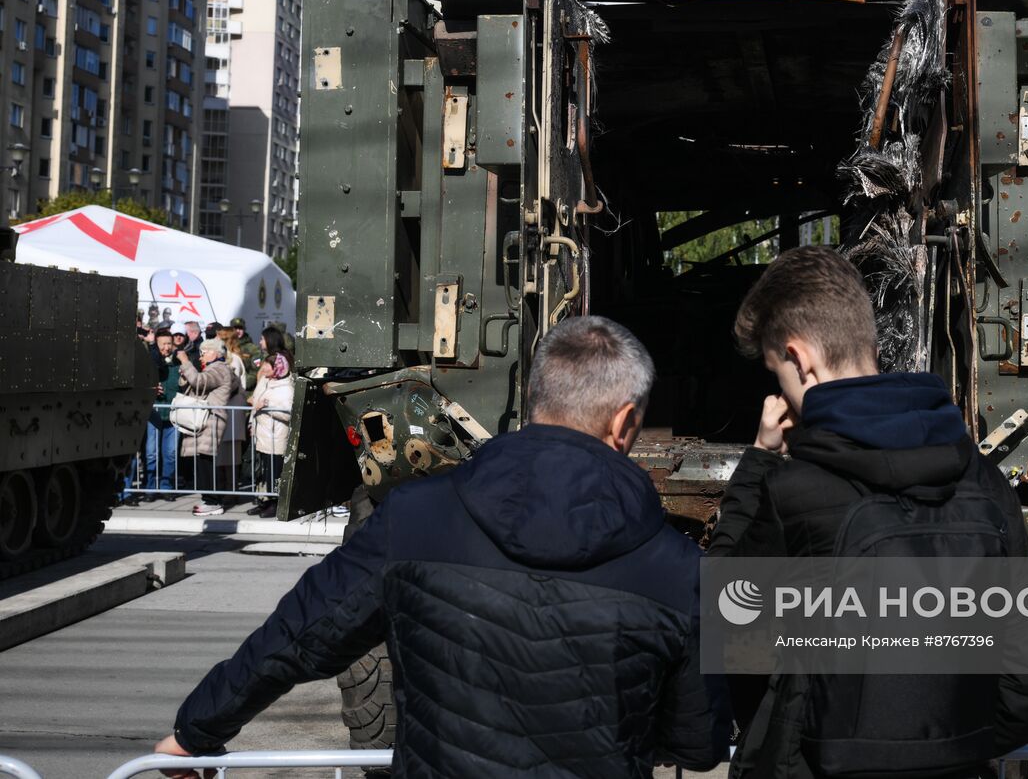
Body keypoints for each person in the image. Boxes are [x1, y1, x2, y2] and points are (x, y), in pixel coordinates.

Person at [153, 316, 728, 777]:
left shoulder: (414, 516)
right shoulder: (681, 571)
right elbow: (697, 744)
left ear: (533, 399)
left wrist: (195, 731)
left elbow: (300, 634)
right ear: (626, 422)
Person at [708, 246, 1028, 779]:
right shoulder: (985, 483)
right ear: (867, 342)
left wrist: (757, 462)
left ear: (800, 358)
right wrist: (953, 746)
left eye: (776, 373)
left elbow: (725, 624)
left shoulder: (794, 490)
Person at [175, 337, 238, 518]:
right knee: (202, 461)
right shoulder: (213, 369)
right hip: (205, 419)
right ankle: (208, 499)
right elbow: (193, 385)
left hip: (210, 420)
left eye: (204, 353)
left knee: (206, 462)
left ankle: (212, 501)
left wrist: (186, 362)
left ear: (216, 353)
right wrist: (184, 372)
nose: (201, 356)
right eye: (200, 353)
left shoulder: (219, 369)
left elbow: (199, 382)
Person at [246, 328, 294, 516]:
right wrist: (253, 420)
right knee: (263, 471)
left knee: (274, 472)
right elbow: (258, 401)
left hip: (275, 436)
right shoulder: (268, 382)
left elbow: (286, 411)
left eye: (268, 366)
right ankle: (263, 500)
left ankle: (275, 502)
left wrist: (266, 407)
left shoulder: (285, 387)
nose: (264, 369)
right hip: (262, 433)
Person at [144, 329, 182, 501]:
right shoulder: (150, 361)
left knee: (171, 453)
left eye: (169, 344)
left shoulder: (178, 362)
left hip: (174, 415)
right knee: (151, 453)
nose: (166, 348)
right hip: (154, 413)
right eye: (163, 344)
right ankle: (150, 488)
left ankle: (166, 486)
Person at [229, 317, 261, 392]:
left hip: (245, 389)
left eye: (240, 328)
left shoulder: (252, 348)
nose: (238, 331)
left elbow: (256, 370)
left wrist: (244, 383)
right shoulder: (226, 346)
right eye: (235, 328)